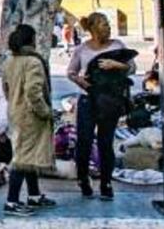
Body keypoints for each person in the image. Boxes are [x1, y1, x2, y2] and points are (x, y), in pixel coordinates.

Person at [67, 12, 136, 200]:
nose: (108, 27)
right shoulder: (82, 49)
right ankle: (83, 179)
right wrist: (81, 82)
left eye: (108, 24)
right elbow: (71, 72)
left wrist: (117, 65)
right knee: (84, 141)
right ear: (93, 29)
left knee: (106, 142)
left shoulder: (117, 46)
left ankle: (106, 183)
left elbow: (132, 67)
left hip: (110, 99)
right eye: (104, 24)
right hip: (88, 99)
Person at [1, 24, 56, 216]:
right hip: (30, 116)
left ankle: (34, 195)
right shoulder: (33, 62)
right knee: (22, 159)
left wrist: (14, 104)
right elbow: (34, 92)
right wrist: (45, 112)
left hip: (16, 112)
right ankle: (11, 201)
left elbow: (6, 88)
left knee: (28, 156)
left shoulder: (9, 61)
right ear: (31, 40)